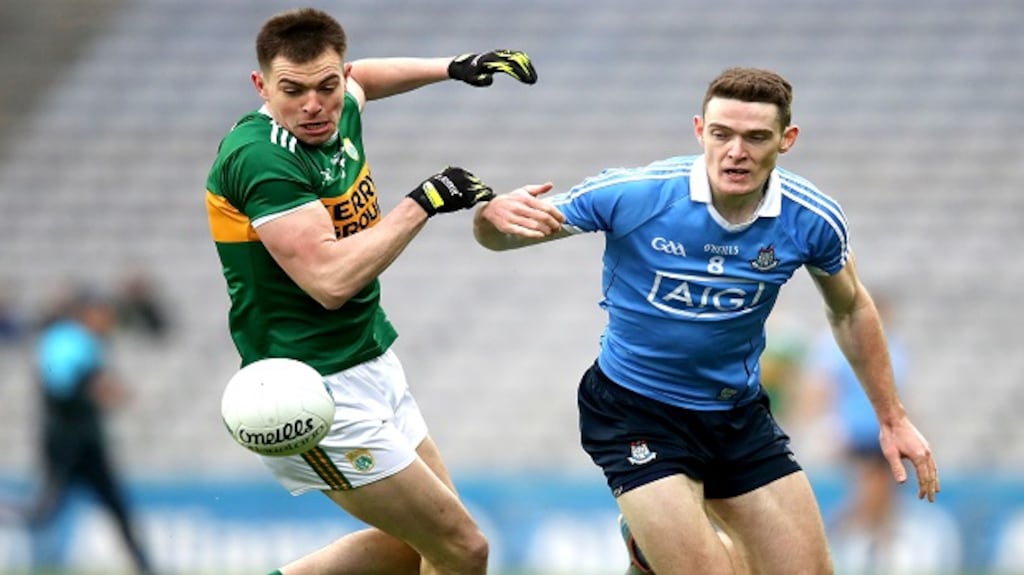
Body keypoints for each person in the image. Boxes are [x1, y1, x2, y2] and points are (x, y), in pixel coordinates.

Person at [473, 67, 939, 574]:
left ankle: (648, 555)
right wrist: (488, 219)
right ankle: (655, 543)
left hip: (736, 417)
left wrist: (891, 418)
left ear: (787, 140)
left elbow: (850, 307)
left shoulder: (812, 218)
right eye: (722, 134)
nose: (736, 151)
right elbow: (505, 235)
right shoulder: (636, 194)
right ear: (700, 131)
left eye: (756, 137)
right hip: (635, 410)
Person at [204, 8, 537, 575]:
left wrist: (452, 68)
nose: (314, 105)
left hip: (370, 359)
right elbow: (330, 282)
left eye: (327, 86)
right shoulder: (262, 160)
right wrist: (423, 201)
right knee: (464, 548)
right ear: (261, 86)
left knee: (419, 547)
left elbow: (365, 81)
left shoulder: (335, 113)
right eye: (293, 90)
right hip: (310, 386)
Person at [28, 285, 153, 574]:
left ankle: (146, 567)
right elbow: (61, 387)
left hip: (87, 441)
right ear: (89, 313)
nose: (108, 320)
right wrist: (100, 390)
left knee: (114, 506)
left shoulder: (84, 341)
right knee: (45, 509)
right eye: (103, 313)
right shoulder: (67, 339)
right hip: (66, 442)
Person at [797, 292, 909, 573]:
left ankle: (881, 557)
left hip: (885, 432)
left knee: (885, 502)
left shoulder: (895, 348)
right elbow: (825, 385)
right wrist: (824, 423)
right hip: (858, 431)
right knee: (871, 493)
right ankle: (829, 537)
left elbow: (900, 394)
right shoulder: (843, 347)